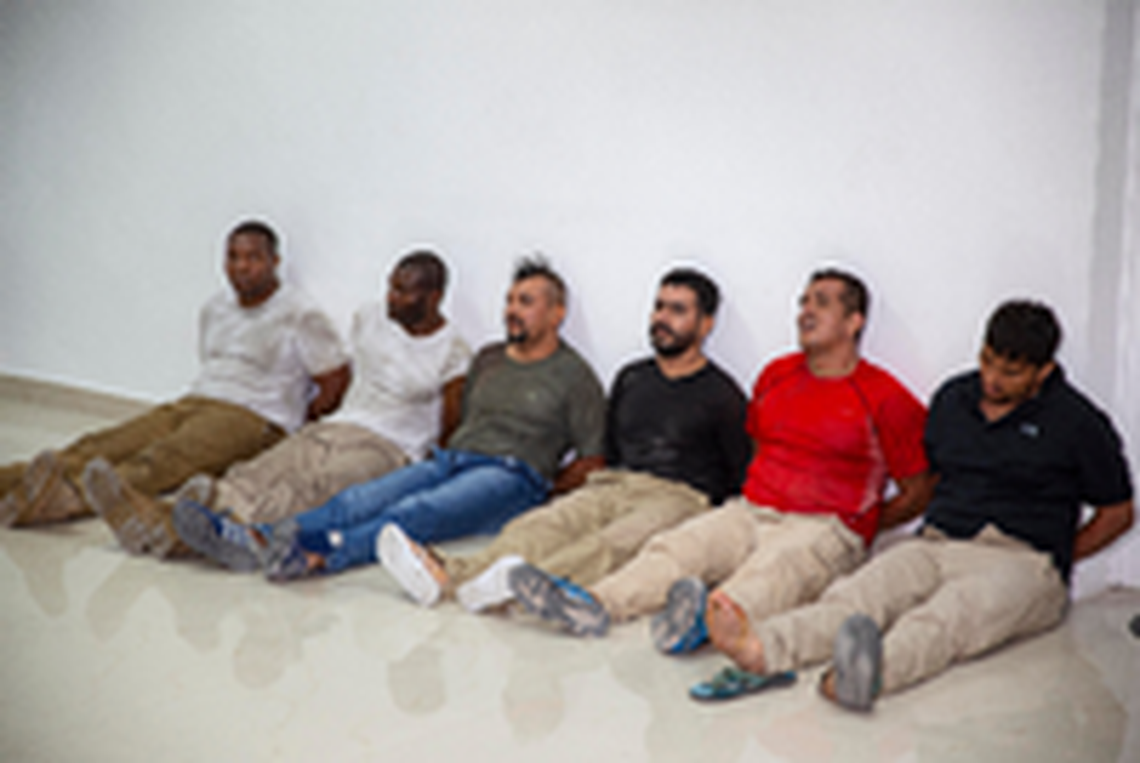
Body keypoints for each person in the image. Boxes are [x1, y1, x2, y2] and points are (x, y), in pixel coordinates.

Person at [704, 300, 1133, 712]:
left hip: (1020, 558)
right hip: (938, 543)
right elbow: (929, 478)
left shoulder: (1078, 423)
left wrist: (1055, 556)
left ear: (1044, 371)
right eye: (987, 362)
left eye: (1011, 372)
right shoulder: (954, 399)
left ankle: (869, 674)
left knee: (949, 616)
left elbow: (1118, 513)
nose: (992, 379)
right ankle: (762, 649)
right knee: (859, 594)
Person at [506, 268, 933, 642]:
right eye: (803, 301)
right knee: (676, 548)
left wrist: (861, 525)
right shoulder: (776, 375)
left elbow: (919, 489)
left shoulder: (885, 397)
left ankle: (698, 625)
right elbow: (757, 448)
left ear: (854, 322)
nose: (806, 311)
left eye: (821, 303)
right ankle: (593, 604)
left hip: (821, 526)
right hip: (752, 510)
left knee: (769, 575)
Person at [184, 257, 607, 581]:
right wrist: (443, 457)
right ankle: (257, 536)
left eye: (526, 303)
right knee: (358, 500)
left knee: (417, 511)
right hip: (453, 460)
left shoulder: (575, 376)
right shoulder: (489, 359)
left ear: (557, 313)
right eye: (510, 301)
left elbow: (593, 459)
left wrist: (544, 482)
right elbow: (462, 421)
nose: (512, 310)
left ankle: (320, 553)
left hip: (511, 475)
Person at [378, 267, 751, 615]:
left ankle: (516, 586)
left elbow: (739, 475)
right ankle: (450, 574)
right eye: (659, 307)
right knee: (541, 525)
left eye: (677, 310)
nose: (662, 318)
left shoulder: (723, 395)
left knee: (609, 544)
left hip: (677, 496)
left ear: (706, 324)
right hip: (614, 483)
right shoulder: (632, 378)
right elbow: (610, 447)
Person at [0, 221, 350, 561]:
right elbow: (212, 363)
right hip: (194, 401)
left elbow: (336, 380)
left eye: (253, 258)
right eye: (233, 257)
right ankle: (13, 484)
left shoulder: (300, 314)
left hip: (251, 417)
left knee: (160, 459)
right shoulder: (216, 307)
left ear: (275, 261)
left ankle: (61, 500)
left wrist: (290, 423)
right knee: (98, 445)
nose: (241, 267)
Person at [139, 250, 468, 571]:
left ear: (434, 297)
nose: (391, 298)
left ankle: (239, 529)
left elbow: (451, 423)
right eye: (391, 287)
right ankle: (184, 519)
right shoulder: (369, 317)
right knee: (266, 468)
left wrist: (425, 471)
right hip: (339, 424)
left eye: (403, 292)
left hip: (389, 446)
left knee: (315, 485)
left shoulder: (453, 350)